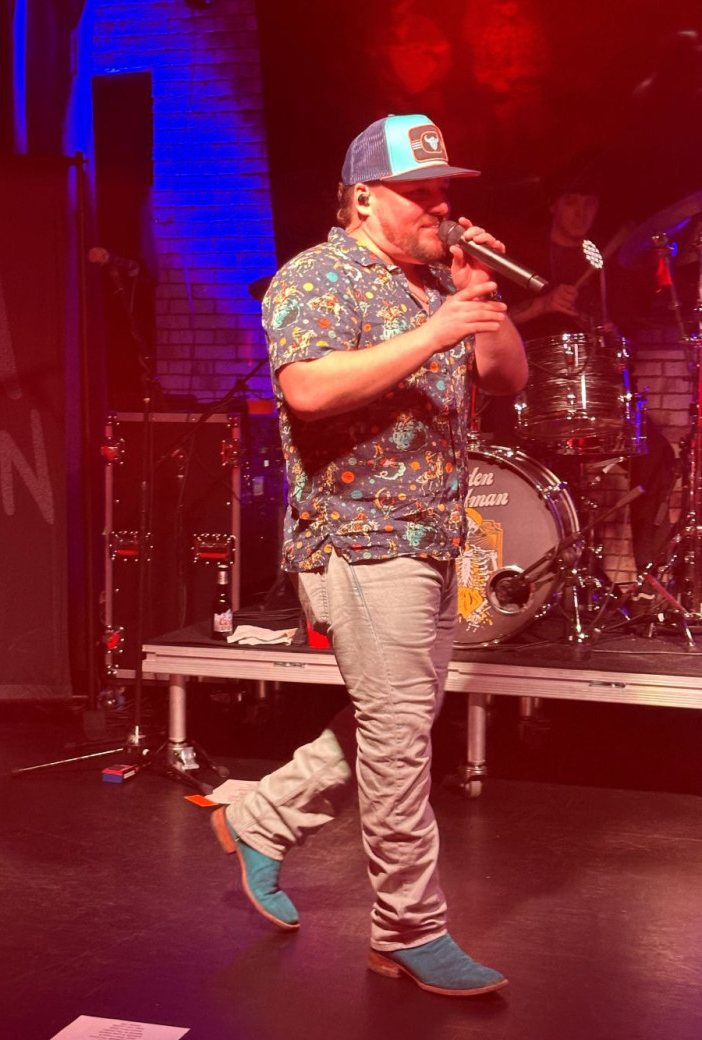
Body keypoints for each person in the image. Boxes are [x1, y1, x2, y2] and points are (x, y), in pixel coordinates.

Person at [210, 113, 527, 997]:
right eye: (418, 191)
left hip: (434, 537)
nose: (440, 205)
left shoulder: (440, 284)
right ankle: (407, 931)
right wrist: (435, 332)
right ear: (361, 199)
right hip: (361, 539)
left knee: (398, 721)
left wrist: (479, 295)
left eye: (443, 189)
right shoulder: (317, 277)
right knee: (397, 740)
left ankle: (262, 818)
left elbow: (507, 377)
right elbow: (307, 389)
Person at [480, 182, 676, 576]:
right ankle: (543, 573)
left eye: (590, 203)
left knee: (657, 455)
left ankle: (647, 579)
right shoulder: (521, 258)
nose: (581, 213)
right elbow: (490, 322)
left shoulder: (605, 262)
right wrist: (542, 305)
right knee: (530, 473)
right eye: (572, 202)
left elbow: (630, 328)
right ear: (553, 205)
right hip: (533, 396)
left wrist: (613, 333)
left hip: (596, 396)